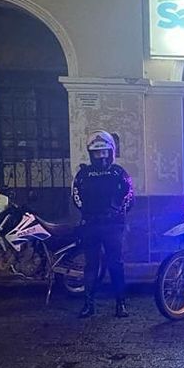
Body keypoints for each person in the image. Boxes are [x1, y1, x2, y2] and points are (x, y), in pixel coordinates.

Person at [72, 131, 134, 318]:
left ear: (111, 152)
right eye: (97, 153)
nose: (101, 157)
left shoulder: (118, 172)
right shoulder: (83, 174)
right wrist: (89, 213)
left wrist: (118, 212)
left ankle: (121, 304)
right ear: (91, 154)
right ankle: (88, 304)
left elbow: (130, 195)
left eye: (104, 152)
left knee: (116, 265)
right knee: (91, 266)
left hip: (113, 226)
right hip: (91, 225)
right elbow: (76, 197)